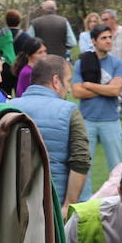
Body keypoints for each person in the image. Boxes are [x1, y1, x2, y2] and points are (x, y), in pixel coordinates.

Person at [10, 54, 89, 209]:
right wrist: (68, 205)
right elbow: (81, 161)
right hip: (54, 205)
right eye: (68, 81)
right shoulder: (70, 111)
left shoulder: (8, 108)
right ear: (56, 81)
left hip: (13, 204)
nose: (70, 90)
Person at [72, 24, 122, 179]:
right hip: (86, 121)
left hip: (111, 121)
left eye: (110, 37)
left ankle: (120, 200)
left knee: (117, 168)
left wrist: (89, 85)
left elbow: (115, 91)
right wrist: (105, 89)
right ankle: (84, 201)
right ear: (94, 41)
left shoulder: (117, 63)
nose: (108, 41)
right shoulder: (82, 63)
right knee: (83, 167)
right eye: (104, 38)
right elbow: (77, 92)